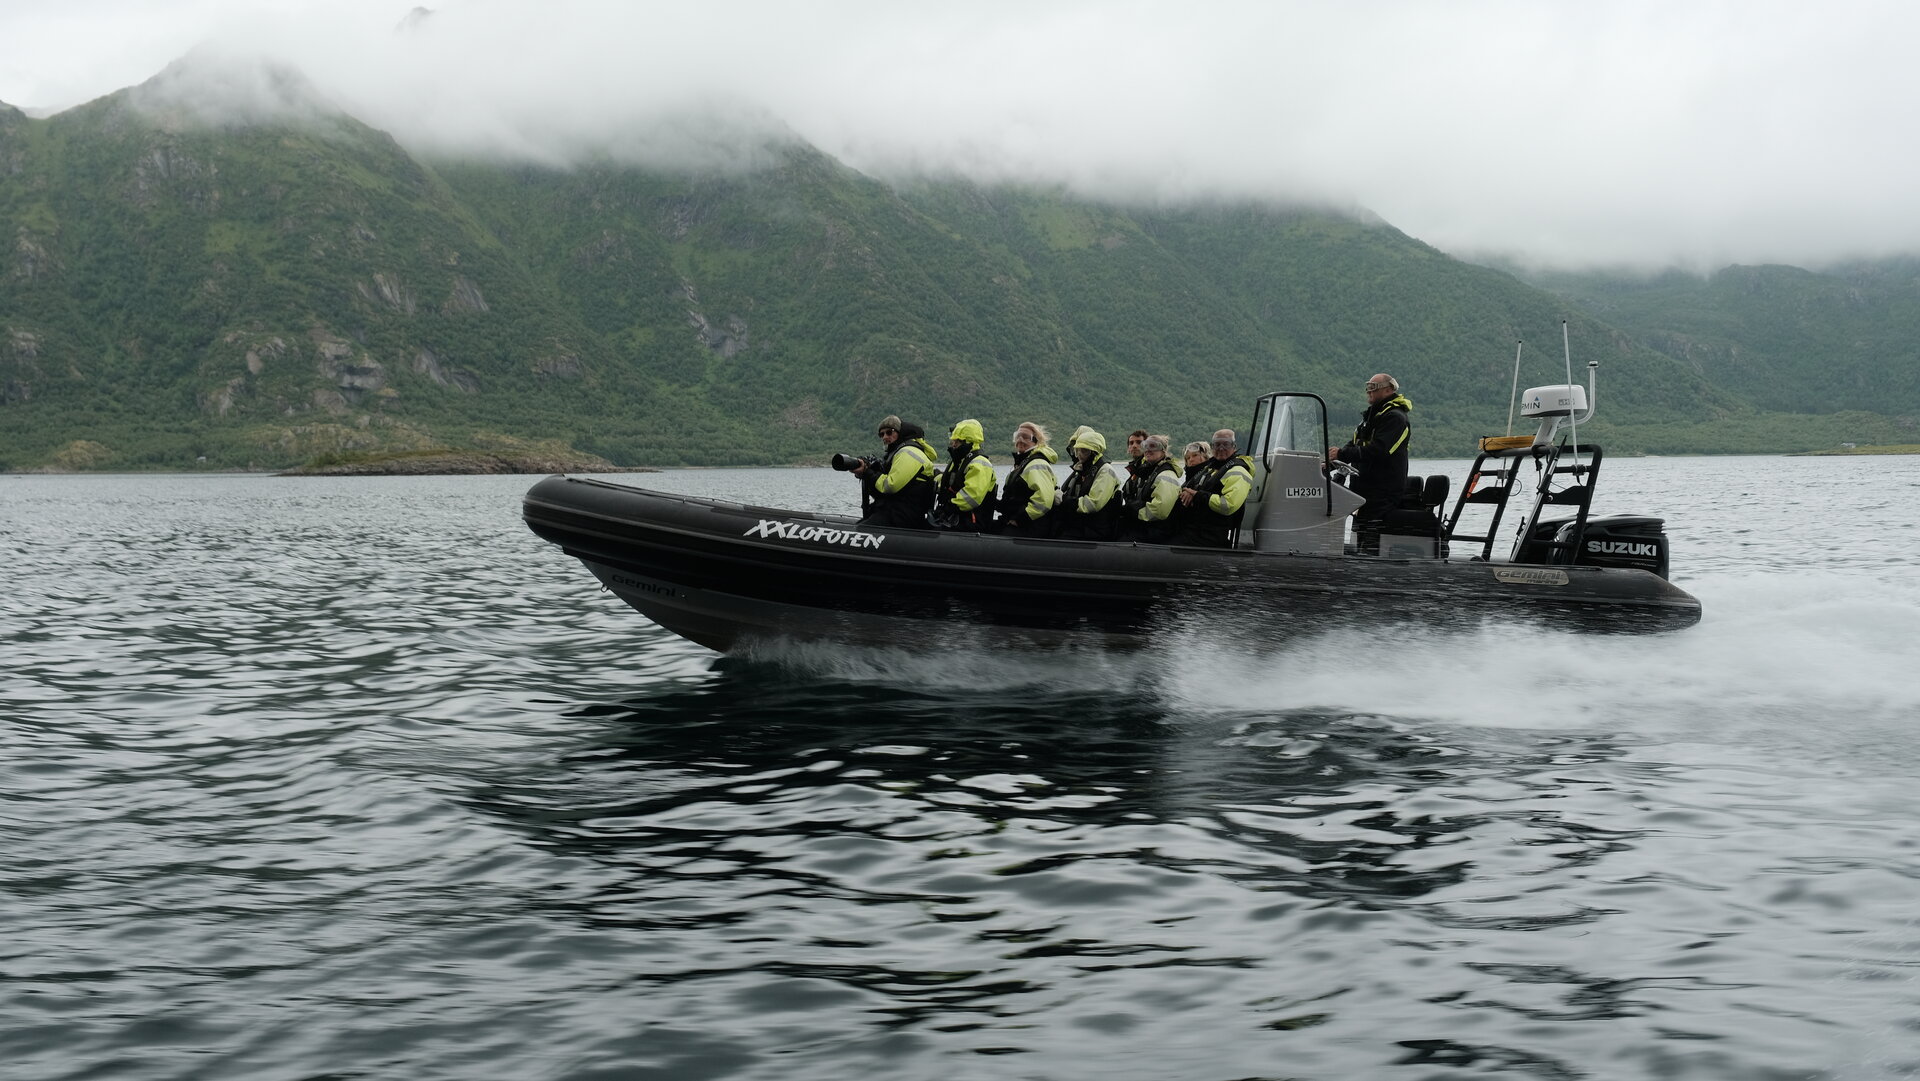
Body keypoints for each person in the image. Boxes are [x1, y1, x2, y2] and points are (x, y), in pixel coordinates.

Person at [1328, 373, 1412, 553]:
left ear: (1389, 390)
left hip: (1383, 492)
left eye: (1374, 387)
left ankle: (1371, 561)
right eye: (1368, 387)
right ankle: (1357, 559)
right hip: (1364, 490)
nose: (1369, 391)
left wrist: (1342, 453)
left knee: (1371, 536)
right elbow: (1354, 444)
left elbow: (1380, 450)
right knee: (1360, 532)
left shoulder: (1396, 418)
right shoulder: (1371, 418)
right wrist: (1332, 462)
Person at [851, 414, 936, 528]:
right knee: (860, 526)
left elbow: (890, 486)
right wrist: (866, 474)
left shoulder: (909, 452)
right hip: (894, 511)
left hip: (903, 515)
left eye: (889, 432)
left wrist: (868, 473)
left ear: (900, 433)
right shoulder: (898, 453)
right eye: (881, 434)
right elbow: (883, 493)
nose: (885, 437)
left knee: (860, 532)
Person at [1175, 429, 1254, 547]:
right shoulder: (1211, 468)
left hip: (1210, 535)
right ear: (1212, 447)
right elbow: (1190, 487)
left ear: (1234, 447)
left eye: (1226, 444)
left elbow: (1228, 505)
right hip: (1194, 529)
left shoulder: (1238, 471)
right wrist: (1188, 493)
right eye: (1217, 444)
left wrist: (1197, 495)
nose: (1221, 448)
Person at [1056, 428, 1127, 540]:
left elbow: (1093, 504)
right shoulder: (1082, 470)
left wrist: (1063, 500)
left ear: (1094, 452)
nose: (1079, 455)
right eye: (1077, 451)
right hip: (1082, 525)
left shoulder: (1106, 471)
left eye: (1084, 451)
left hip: (1095, 530)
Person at [932, 418, 997, 530]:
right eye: (953, 440)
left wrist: (949, 507)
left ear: (967, 442)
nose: (953, 444)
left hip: (971, 521)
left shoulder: (979, 463)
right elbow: (951, 482)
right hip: (954, 517)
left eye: (957, 441)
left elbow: (972, 496)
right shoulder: (959, 462)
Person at [997, 421, 1059, 534]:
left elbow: (1044, 500)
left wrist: (1020, 520)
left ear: (1036, 441)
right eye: (1017, 436)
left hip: (1030, 527)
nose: (1020, 440)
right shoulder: (1023, 464)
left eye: (1026, 437)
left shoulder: (1037, 464)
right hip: (1017, 523)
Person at [1128, 434, 1184, 544]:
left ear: (1163, 451)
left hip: (1157, 532)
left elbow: (1160, 510)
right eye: (1145, 446)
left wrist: (1133, 511)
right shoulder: (1150, 472)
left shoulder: (1166, 474)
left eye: (1153, 446)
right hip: (1146, 528)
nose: (1148, 450)